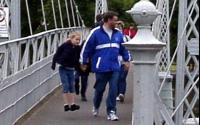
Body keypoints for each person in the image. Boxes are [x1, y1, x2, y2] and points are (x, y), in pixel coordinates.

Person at [80, 11, 131, 121]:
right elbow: (87, 47)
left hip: (115, 66)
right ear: (108, 20)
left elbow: (123, 48)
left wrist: (127, 60)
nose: (116, 22)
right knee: (100, 90)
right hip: (101, 66)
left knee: (113, 89)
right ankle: (96, 105)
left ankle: (111, 111)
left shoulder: (118, 33)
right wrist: (83, 61)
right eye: (114, 20)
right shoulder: (96, 33)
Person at [51, 32, 81, 112]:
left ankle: (73, 104)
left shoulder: (78, 48)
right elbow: (56, 54)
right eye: (76, 39)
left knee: (72, 86)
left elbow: (77, 59)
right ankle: (66, 105)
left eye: (79, 40)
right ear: (71, 39)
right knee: (66, 85)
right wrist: (54, 64)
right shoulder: (64, 46)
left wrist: (78, 68)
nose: (78, 41)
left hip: (71, 69)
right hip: (63, 68)